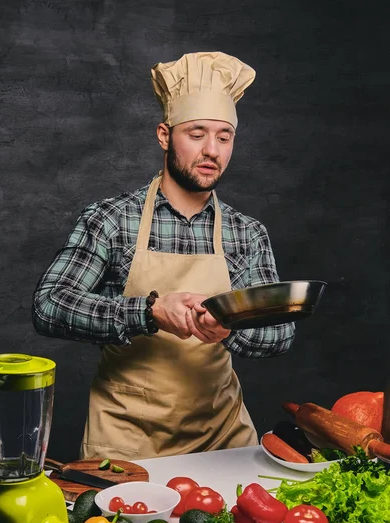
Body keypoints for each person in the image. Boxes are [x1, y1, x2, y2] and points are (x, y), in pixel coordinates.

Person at [32, 51, 295, 460]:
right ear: (164, 135)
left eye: (224, 137)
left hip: (222, 440)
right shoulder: (112, 220)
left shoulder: (247, 233)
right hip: (126, 442)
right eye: (196, 133)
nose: (212, 150)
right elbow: (50, 305)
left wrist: (231, 326)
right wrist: (149, 312)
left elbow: (280, 332)